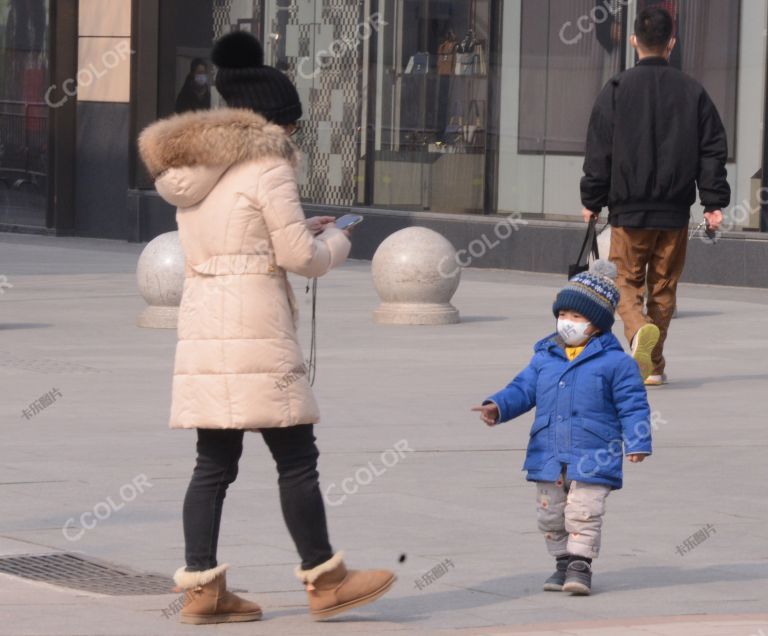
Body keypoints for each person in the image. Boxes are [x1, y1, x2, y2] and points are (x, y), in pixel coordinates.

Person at [138, 31, 395, 624]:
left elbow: (238, 225)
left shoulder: (195, 168)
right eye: (293, 127)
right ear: (273, 122)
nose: (295, 139)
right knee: (296, 455)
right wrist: (334, 241)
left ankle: (202, 590)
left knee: (213, 464)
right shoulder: (270, 167)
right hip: (255, 326)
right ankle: (326, 577)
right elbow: (300, 259)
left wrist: (302, 224)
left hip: (206, 325)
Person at [472, 261, 652, 596]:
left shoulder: (617, 364)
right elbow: (522, 389)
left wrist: (637, 441)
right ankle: (561, 563)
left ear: (597, 324)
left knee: (583, 513)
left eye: (577, 317)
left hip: (594, 452)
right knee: (550, 516)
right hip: (549, 453)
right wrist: (497, 406)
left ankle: (580, 567)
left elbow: (633, 404)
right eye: (563, 314)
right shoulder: (545, 357)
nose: (567, 322)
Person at [581, 6, 729, 386]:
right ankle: (655, 364)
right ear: (671, 43)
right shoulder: (693, 91)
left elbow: (600, 150)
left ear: (633, 42)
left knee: (625, 282)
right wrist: (713, 203)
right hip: (676, 211)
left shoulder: (615, 89)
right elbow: (712, 148)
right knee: (663, 288)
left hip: (630, 211)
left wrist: (592, 199)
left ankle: (637, 332)